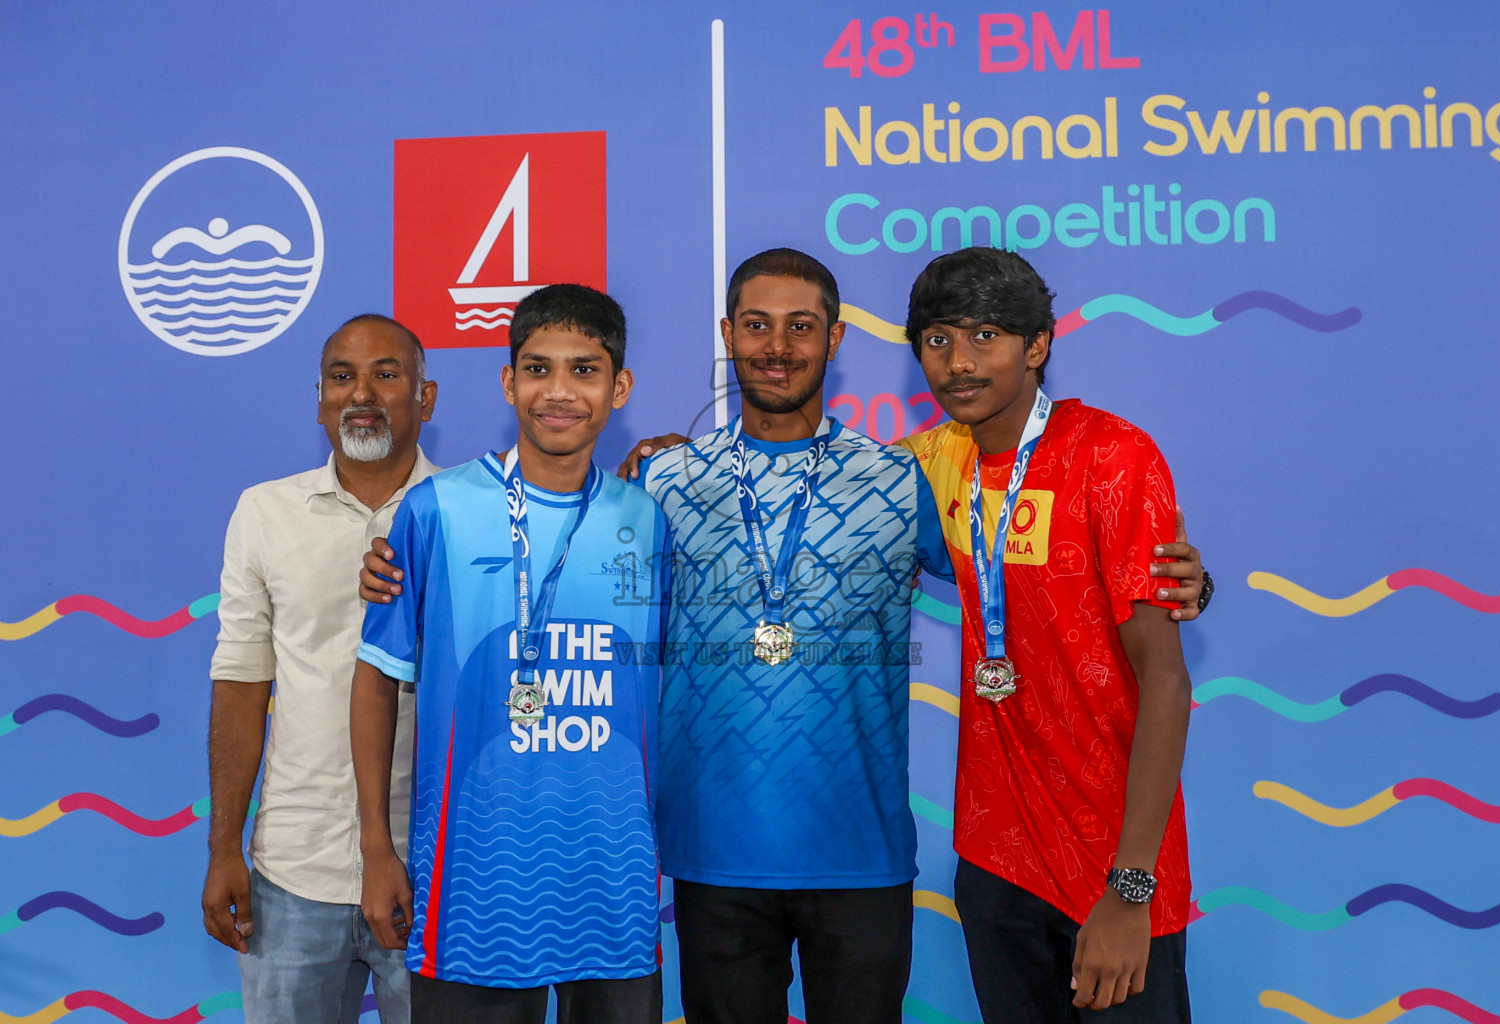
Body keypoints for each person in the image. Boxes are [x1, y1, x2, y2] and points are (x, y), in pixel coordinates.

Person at [362, 249, 1207, 1024]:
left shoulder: (902, 474)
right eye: (757, 326)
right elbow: (554, 534)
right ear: (728, 337)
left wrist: (1179, 582)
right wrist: (400, 566)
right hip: (712, 859)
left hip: (863, 858)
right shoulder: (660, 480)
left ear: (834, 339)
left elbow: (1016, 561)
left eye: (801, 326)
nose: (778, 346)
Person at [349, 284, 670, 1024]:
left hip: (613, 881)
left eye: (585, 371)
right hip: (477, 887)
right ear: (508, 381)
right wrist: (378, 850)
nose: (559, 392)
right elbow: (376, 683)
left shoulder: (648, 519)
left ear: (619, 387)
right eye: (538, 368)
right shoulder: (437, 510)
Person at [899, 247, 1195, 1023]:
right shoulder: (927, 464)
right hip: (997, 863)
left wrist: (1132, 891)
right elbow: (816, 489)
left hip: (1116, 862)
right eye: (936, 340)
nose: (957, 363)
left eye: (985, 336)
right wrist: (667, 459)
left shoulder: (1114, 457)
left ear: (1037, 345)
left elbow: (1167, 680)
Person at [203, 314, 438, 1024]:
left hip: (434, 871)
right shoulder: (265, 513)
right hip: (292, 875)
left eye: (386, 374)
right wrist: (223, 849)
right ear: (319, 400)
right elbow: (243, 688)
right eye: (342, 377)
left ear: (426, 398)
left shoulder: (474, 514)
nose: (360, 394)